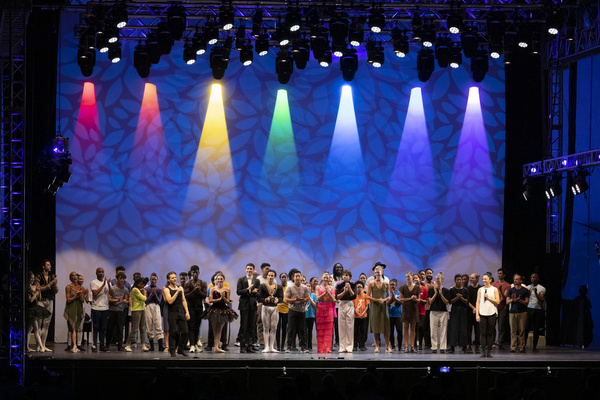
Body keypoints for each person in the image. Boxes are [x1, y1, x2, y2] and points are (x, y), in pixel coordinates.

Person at [204, 272, 238, 353]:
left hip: (223, 310)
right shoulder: (212, 289)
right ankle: (216, 344)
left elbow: (228, 301)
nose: (219, 280)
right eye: (218, 279)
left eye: (221, 279)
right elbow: (211, 300)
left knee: (220, 329)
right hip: (214, 309)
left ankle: (216, 347)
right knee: (214, 329)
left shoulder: (227, 289)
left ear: (223, 280)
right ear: (216, 280)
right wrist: (219, 299)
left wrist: (223, 298)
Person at [164, 271, 190, 357]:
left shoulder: (180, 288)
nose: (174, 279)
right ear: (168, 280)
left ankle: (180, 349)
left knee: (185, 331)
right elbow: (170, 301)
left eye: (175, 277)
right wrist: (177, 291)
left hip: (180, 312)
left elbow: (183, 300)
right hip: (172, 312)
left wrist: (187, 312)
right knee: (172, 332)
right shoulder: (166, 289)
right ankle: (172, 351)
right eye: (172, 278)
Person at [366, 265, 391, 353]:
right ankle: (376, 346)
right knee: (376, 327)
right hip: (375, 307)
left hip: (383, 307)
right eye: (376, 272)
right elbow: (367, 296)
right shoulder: (371, 284)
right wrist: (377, 300)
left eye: (378, 272)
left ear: (382, 272)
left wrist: (383, 300)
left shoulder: (386, 284)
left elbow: (389, 297)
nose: (377, 273)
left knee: (386, 327)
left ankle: (387, 346)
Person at [257, 270, 283, 353]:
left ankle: (272, 346)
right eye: (269, 275)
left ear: (275, 277)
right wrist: (265, 299)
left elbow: (281, 297)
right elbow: (259, 298)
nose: (271, 277)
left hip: (274, 308)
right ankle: (266, 347)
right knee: (266, 327)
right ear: (267, 276)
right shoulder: (262, 286)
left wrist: (277, 299)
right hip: (265, 307)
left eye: (272, 276)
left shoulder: (278, 287)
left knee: (274, 327)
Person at [285, 271, 311, 353]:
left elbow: (307, 299)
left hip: (302, 311)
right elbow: (286, 299)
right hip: (292, 310)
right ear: (293, 278)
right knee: (291, 329)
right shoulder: (289, 287)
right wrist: (294, 300)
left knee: (302, 329)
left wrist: (302, 300)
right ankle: (289, 347)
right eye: (296, 276)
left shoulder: (305, 287)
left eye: (298, 276)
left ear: (301, 277)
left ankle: (303, 347)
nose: (297, 278)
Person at [237, 263, 260, 353]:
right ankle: (242, 346)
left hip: (253, 305)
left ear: (253, 270)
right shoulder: (241, 279)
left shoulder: (256, 281)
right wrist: (247, 289)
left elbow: (259, 293)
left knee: (251, 326)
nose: (249, 270)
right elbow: (238, 292)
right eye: (248, 269)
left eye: (251, 269)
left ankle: (249, 345)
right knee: (244, 326)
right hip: (244, 305)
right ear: (246, 269)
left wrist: (255, 292)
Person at [35, 259, 57, 351]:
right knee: (39, 323)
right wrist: (50, 284)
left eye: (50, 265)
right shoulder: (38, 276)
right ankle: (38, 345)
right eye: (48, 265)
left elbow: (55, 291)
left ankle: (43, 345)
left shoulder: (52, 277)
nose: (50, 266)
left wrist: (55, 284)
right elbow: (38, 289)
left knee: (46, 324)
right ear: (43, 266)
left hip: (49, 300)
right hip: (41, 300)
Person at [476, 272, 499, 358]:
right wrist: (477, 314)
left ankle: (489, 352)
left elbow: (498, 301)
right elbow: (477, 302)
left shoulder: (494, 289)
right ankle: (483, 352)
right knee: (482, 333)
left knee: (490, 333)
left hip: (491, 312)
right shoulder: (480, 290)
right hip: (482, 313)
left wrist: (488, 297)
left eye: (485, 279)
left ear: (490, 280)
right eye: (483, 279)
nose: (484, 280)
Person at [184, 265, 207, 353]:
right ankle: (192, 345)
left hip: (199, 306)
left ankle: (196, 344)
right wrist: (194, 290)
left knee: (197, 326)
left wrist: (199, 291)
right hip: (191, 306)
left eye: (196, 272)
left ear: (199, 272)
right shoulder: (187, 283)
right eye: (193, 272)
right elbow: (186, 296)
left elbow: (204, 296)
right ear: (191, 273)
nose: (195, 274)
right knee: (191, 326)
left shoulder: (203, 283)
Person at [27, 272, 51, 352]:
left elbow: (38, 298)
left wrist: (39, 291)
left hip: (34, 308)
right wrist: (36, 292)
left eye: (33, 278)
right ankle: (41, 346)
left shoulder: (33, 286)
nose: (32, 279)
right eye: (31, 278)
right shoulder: (27, 287)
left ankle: (27, 347)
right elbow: (30, 300)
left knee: (30, 329)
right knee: (36, 329)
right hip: (30, 309)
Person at [90, 267, 112, 352]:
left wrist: (109, 284)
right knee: (95, 328)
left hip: (105, 308)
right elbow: (95, 293)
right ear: (96, 273)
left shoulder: (107, 283)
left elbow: (112, 293)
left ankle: (102, 346)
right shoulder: (93, 282)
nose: (101, 273)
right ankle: (94, 345)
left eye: (102, 272)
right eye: (99, 272)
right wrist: (103, 285)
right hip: (96, 308)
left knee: (103, 328)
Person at [506, 273, 529, 353]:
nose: (515, 280)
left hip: (522, 312)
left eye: (517, 279)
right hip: (512, 312)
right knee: (513, 331)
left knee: (522, 330)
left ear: (521, 280)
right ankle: (513, 347)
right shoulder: (511, 290)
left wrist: (520, 300)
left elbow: (527, 302)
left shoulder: (525, 290)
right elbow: (507, 301)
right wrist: (513, 300)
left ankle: (522, 347)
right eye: (514, 279)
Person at [106, 271, 129, 351]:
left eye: (123, 279)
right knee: (110, 328)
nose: (122, 280)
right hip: (112, 310)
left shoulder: (125, 289)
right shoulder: (112, 288)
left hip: (120, 311)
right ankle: (107, 344)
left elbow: (126, 299)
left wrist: (126, 301)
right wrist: (117, 300)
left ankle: (120, 345)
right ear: (117, 279)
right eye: (120, 278)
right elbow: (109, 299)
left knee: (120, 328)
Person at [125, 277, 149, 352]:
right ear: (138, 283)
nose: (143, 286)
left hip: (142, 309)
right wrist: (144, 293)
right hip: (136, 310)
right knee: (134, 329)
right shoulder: (135, 289)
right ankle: (127, 345)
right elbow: (144, 299)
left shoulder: (139, 290)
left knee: (142, 329)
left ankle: (143, 345)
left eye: (144, 285)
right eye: (142, 284)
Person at [335, 269, 357, 353]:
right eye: (344, 275)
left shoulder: (353, 284)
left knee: (350, 326)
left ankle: (349, 346)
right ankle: (342, 346)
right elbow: (337, 297)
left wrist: (350, 289)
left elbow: (354, 296)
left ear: (350, 277)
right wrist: (344, 291)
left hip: (350, 304)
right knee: (342, 326)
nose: (345, 276)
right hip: (341, 304)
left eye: (347, 275)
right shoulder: (339, 284)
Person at [447, 274, 469, 353]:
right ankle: (452, 346)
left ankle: (464, 346)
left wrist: (461, 297)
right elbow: (450, 301)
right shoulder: (452, 290)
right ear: (455, 281)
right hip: (454, 310)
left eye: (460, 280)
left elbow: (467, 301)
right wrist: (457, 298)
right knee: (454, 328)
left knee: (463, 328)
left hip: (463, 310)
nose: (459, 281)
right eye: (458, 280)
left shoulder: (465, 290)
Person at [64, 271, 85, 352]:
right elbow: (68, 300)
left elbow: (82, 300)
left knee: (76, 328)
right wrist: (75, 296)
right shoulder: (68, 287)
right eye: (72, 275)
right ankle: (73, 346)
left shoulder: (81, 288)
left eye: (76, 275)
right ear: (70, 278)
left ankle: (76, 345)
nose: (75, 276)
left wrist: (80, 296)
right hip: (71, 308)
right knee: (72, 327)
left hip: (78, 308)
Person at [399, 272, 420, 353]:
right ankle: (406, 346)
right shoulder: (403, 287)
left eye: (408, 276)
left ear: (412, 277)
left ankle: (412, 346)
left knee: (413, 328)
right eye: (406, 276)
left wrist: (415, 299)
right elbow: (401, 299)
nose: (407, 278)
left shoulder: (417, 287)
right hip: (406, 309)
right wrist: (410, 299)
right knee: (406, 328)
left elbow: (419, 299)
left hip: (414, 309)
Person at [428, 272, 449, 353]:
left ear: (442, 280)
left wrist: (441, 294)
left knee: (443, 330)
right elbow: (430, 302)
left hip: (443, 312)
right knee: (433, 330)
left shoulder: (446, 290)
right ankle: (434, 347)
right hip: (433, 311)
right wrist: (436, 293)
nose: (436, 280)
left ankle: (443, 347)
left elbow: (447, 302)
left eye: (438, 279)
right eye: (436, 279)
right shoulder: (431, 289)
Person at [144, 273, 165, 352]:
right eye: (152, 279)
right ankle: (152, 346)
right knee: (149, 326)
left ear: (157, 280)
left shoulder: (159, 290)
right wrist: (151, 294)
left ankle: (160, 346)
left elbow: (159, 301)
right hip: (148, 307)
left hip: (156, 307)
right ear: (150, 280)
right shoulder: (146, 289)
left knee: (158, 326)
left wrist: (155, 294)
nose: (154, 281)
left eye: (155, 279)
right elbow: (146, 301)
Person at [316, 272, 336, 353]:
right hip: (320, 308)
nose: (325, 279)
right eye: (324, 277)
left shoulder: (332, 288)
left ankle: (327, 348)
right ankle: (320, 348)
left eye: (327, 278)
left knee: (328, 329)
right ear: (322, 278)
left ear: (329, 279)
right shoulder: (318, 287)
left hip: (329, 308)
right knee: (321, 329)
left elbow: (333, 299)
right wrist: (325, 293)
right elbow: (318, 298)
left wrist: (328, 292)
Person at [526, 273, 546, 352]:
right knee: (526, 328)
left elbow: (541, 300)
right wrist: (529, 293)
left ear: (537, 279)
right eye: (531, 277)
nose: (532, 279)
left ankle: (534, 346)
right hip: (529, 308)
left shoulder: (541, 288)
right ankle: (523, 346)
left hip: (537, 309)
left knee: (536, 329)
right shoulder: (528, 287)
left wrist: (536, 293)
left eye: (534, 277)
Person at [492, 268, 511, 349]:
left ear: (504, 275)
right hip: (494, 307)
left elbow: (504, 297)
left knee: (501, 326)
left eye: (500, 273)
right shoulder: (494, 284)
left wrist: (500, 290)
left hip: (503, 307)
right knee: (492, 325)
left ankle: (500, 343)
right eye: (498, 273)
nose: (499, 275)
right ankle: (492, 342)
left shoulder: (507, 285)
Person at [466, 273, 482, 353]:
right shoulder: (467, 288)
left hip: (478, 312)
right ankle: (469, 345)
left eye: (472, 278)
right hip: (469, 311)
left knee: (477, 330)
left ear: (477, 279)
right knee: (469, 329)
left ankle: (477, 346)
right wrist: (473, 308)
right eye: (470, 278)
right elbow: (467, 301)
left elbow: (482, 300)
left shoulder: (481, 288)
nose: (471, 279)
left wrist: (477, 309)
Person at [256, 262, 271, 348]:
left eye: (269, 269)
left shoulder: (272, 280)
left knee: (269, 324)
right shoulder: (258, 279)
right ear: (262, 270)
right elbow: (255, 293)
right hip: (261, 303)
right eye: (266, 269)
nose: (268, 271)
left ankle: (269, 342)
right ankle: (261, 342)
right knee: (260, 323)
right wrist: (257, 303)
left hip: (270, 304)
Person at [353, 281, 369, 351]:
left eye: (361, 287)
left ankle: (362, 345)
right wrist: (358, 313)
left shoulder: (365, 296)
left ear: (363, 288)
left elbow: (366, 306)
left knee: (363, 331)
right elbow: (352, 306)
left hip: (363, 316)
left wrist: (362, 314)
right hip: (355, 316)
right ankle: (354, 346)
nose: (359, 288)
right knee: (355, 331)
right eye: (358, 287)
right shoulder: (353, 296)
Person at [331, 262, 344, 348]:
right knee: (334, 324)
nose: (338, 269)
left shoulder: (344, 278)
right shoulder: (331, 278)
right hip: (333, 305)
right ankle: (334, 341)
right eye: (337, 268)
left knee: (341, 324)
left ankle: (340, 341)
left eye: (340, 268)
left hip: (342, 304)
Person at [414, 274, 428, 351]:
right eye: (414, 278)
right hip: (413, 311)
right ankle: (415, 345)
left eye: (416, 278)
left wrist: (420, 300)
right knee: (414, 328)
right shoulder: (411, 288)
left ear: (420, 279)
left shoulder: (424, 289)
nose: (415, 279)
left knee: (420, 327)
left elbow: (426, 301)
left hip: (422, 311)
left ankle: (420, 343)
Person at [387, 279, 402, 351]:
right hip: (390, 315)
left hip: (398, 315)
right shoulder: (387, 293)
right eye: (391, 285)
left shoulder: (399, 293)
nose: (392, 286)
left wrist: (394, 297)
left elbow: (401, 302)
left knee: (399, 331)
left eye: (393, 285)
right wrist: (392, 296)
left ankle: (399, 346)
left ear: (396, 285)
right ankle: (392, 346)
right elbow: (387, 303)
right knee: (391, 332)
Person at [276, 272, 289, 351]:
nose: (284, 278)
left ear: (287, 278)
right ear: (280, 278)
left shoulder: (289, 287)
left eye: (285, 277)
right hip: (278, 310)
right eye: (282, 277)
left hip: (286, 310)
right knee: (277, 328)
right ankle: (277, 345)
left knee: (284, 328)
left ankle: (282, 346)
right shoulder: (277, 287)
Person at [422, 267, 435, 349]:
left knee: (433, 327)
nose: (429, 274)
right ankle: (427, 344)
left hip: (433, 308)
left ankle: (433, 343)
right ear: (425, 275)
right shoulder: (422, 283)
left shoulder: (435, 283)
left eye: (430, 273)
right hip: (425, 308)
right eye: (428, 273)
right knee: (425, 327)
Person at [306, 276, 318, 352]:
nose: (308, 287)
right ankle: (304, 345)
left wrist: (309, 298)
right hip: (304, 315)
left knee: (310, 331)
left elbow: (315, 305)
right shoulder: (302, 294)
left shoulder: (314, 295)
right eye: (306, 286)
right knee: (304, 331)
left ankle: (310, 346)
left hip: (311, 315)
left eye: (309, 286)